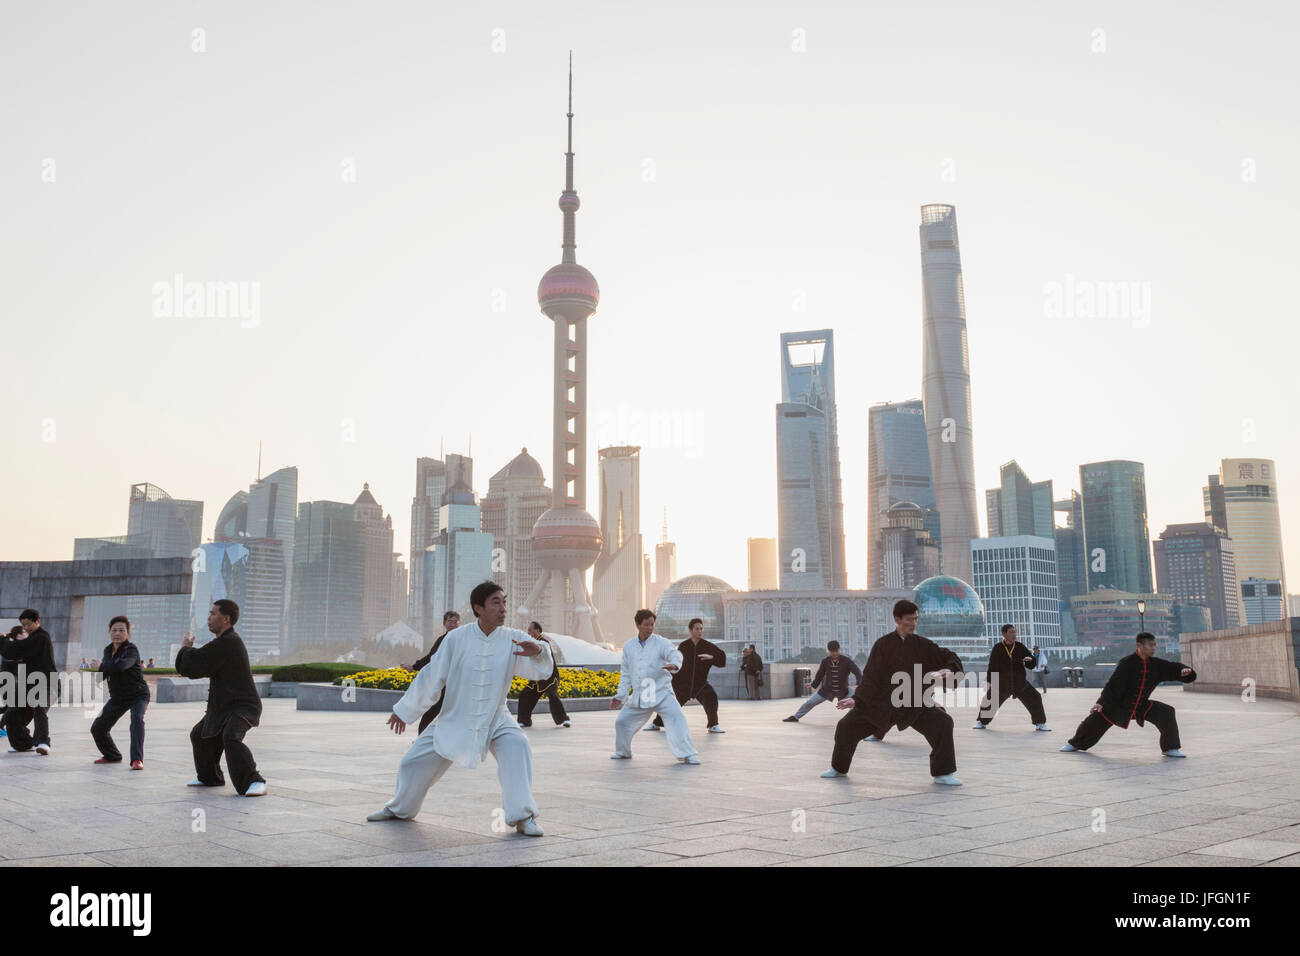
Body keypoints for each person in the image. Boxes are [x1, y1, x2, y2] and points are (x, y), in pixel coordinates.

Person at [367, 581, 552, 836]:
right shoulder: (456, 639)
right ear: (478, 608)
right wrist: (405, 710)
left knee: (517, 746)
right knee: (412, 762)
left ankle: (523, 817)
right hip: (454, 717)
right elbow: (432, 676)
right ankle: (399, 809)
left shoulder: (514, 638)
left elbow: (543, 668)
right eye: (495, 602)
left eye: (504, 602)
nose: (503, 608)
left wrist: (539, 651)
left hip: (496, 717)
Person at [820, 599, 965, 785]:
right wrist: (856, 699)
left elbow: (949, 657)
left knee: (943, 722)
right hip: (882, 703)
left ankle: (943, 773)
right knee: (845, 727)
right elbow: (871, 676)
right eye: (909, 619)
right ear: (897, 619)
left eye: (916, 619)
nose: (914, 623)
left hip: (913, 702)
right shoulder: (883, 645)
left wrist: (948, 670)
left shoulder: (923, 645)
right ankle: (838, 768)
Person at [175, 599, 267, 796]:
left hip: (244, 706)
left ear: (225, 619)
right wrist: (187, 652)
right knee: (199, 735)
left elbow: (195, 663)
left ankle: (254, 780)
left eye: (213, 614)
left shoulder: (229, 643)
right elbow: (199, 664)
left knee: (230, 736)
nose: (209, 618)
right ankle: (210, 777)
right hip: (224, 707)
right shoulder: (222, 643)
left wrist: (184, 648)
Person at [1061, 633, 1197, 758]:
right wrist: (1101, 702)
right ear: (1140, 645)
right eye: (1150, 645)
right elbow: (1112, 685)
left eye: (1154, 645)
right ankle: (1075, 744)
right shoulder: (1127, 663)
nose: (1153, 648)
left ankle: (1170, 748)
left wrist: (1185, 671)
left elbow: (1174, 668)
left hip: (1142, 705)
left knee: (1166, 712)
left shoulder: (1156, 665)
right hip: (1119, 706)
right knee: (1095, 719)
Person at [610, 610, 700, 764]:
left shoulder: (661, 642)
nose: (649, 628)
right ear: (637, 625)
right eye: (646, 625)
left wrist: (674, 664)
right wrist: (620, 696)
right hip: (641, 695)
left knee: (677, 717)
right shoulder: (629, 646)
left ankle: (688, 754)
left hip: (661, 691)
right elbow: (625, 673)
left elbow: (676, 654)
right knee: (621, 722)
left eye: (652, 624)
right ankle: (623, 751)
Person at [89, 615, 150, 769]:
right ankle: (112, 755)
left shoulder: (131, 649)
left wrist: (102, 665)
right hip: (118, 697)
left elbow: (121, 666)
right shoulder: (108, 650)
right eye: (114, 630)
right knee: (98, 728)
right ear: (109, 632)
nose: (117, 633)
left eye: (121, 630)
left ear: (127, 633)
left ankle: (137, 760)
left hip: (138, 694)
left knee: (137, 720)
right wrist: (98, 674)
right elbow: (105, 672)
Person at [648, 618, 727, 733]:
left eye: (701, 628)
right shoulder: (684, 646)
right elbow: (677, 661)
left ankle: (713, 725)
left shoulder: (708, 646)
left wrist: (712, 658)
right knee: (670, 704)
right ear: (690, 630)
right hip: (683, 685)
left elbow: (722, 657)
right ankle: (656, 724)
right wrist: (673, 668)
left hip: (700, 684)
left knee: (711, 698)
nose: (700, 631)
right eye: (697, 629)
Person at [972, 624, 1050, 732]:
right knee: (989, 700)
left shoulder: (1019, 646)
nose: (1014, 634)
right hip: (1002, 682)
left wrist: (1030, 659)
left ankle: (1040, 723)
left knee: (1035, 697)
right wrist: (990, 681)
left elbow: (1030, 660)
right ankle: (982, 722)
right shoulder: (998, 648)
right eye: (1011, 632)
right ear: (1004, 634)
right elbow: (992, 665)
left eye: (1015, 632)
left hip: (1019, 682)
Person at [3, 609, 58, 755]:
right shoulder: (31, 641)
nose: (26, 628)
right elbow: (12, 657)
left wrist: (3, 641)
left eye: (28, 625)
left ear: (37, 621)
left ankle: (43, 743)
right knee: (14, 714)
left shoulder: (41, 638)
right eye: (23, 625)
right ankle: (23, 744)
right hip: (32, 686)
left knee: (39, 706)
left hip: (48, 684)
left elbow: (16, 649)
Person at [784, 640, 861, 722]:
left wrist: (859, 685)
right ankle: (795, 717)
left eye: (836, 651)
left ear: (839, 649)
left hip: (843, 690)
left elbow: (857, 672)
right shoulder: (825, 661)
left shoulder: (846, 660)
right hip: (827, 690)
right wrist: (813, 684)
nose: (834, 653)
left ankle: (854, 720)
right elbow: (820, 674)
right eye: (832, 651)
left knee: (856, 702)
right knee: (810, 702)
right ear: (829, 651)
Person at [410, 610, 460, 734]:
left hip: (459, 683)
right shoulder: (442, 640)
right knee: (432, 711)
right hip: (444, 684)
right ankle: (421, 738)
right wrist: (414, 666)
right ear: (444, 623)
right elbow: (431, 658)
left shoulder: (463, 639)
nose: (453, 624)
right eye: (450, 622)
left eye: (455, 622)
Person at [516, 621, 571, 729]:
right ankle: (524, 720)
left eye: (530, 630)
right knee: (524, 695)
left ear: (537, 630)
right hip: (538, 679)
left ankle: (564, 719)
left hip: (550, 677)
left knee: (552, 695)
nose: (529, 632)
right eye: (528, 630)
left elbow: (542, 654)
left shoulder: (544, 642)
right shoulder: (532, 642)